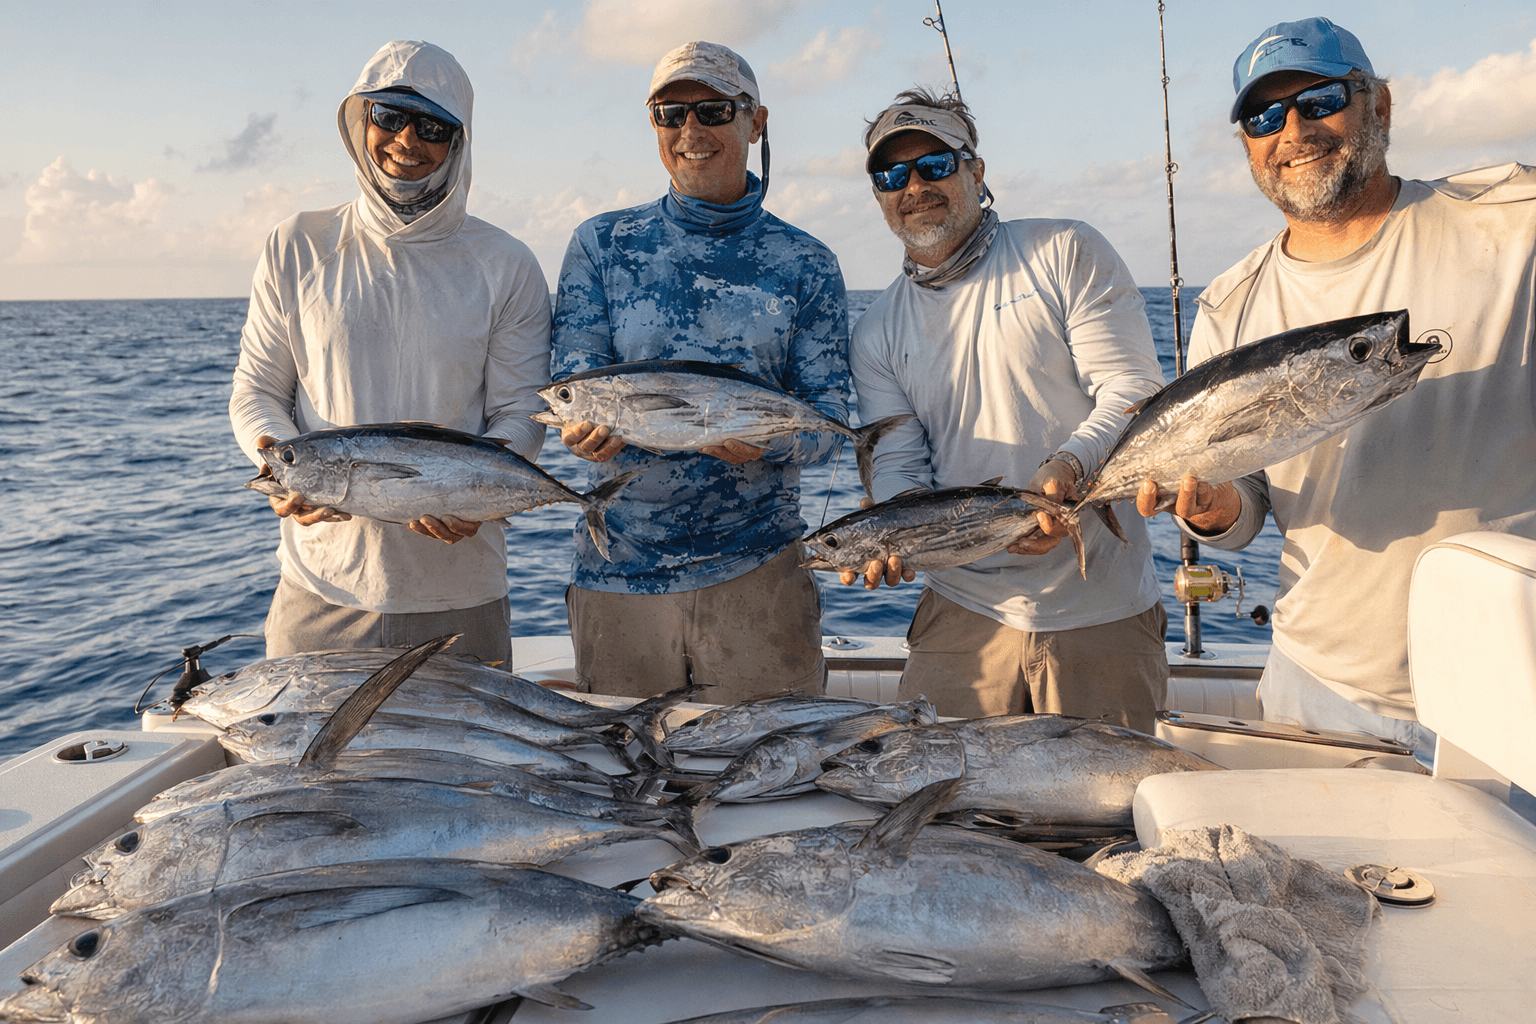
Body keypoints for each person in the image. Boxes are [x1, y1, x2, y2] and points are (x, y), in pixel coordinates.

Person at [1136, 17, 1536, 758]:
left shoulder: (1512, 225)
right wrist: (1216, 509)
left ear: (1378, 105)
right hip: (1319, 686)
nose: (1292, 130)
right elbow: (1244, 496)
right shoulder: (1230, 302)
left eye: (1319, 100)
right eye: (1263, 116)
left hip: (1514, 680)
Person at [849, 88, 1170, 729]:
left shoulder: (1065, 251)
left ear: (976, 170)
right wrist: (889, 532)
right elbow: (898, 461)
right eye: (892, 174)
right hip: (958, 612)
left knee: (1110, 818)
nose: (913, 185)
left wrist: (1068, 466)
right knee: (943, 812)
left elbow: (1132, 391)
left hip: (1099, 608)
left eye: (935, 164)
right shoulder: (877, 329)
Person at [229, 40, 551, 666]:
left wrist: (476, 498)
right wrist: (280, 459)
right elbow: (257, 391)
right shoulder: (297, 243)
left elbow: (521, 413)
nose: (407, 140)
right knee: (311, 766)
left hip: (463, 590)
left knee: (469, 769)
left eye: (433, 125)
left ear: (459, 141)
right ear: (361, 120)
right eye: (389, 117)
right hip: (319, 592)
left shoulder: (506, 263)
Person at [549, 41, 851, 704]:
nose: (691, 131)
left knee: (768, 788)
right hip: (617, 580)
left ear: (757, 121)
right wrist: (583, 431)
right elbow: (576, 373)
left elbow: (830, 423)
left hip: (762, 576)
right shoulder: (601, 244)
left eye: (713, 110)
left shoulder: (807, 262)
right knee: (630, 788)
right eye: (668, 113)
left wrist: (765, 440)